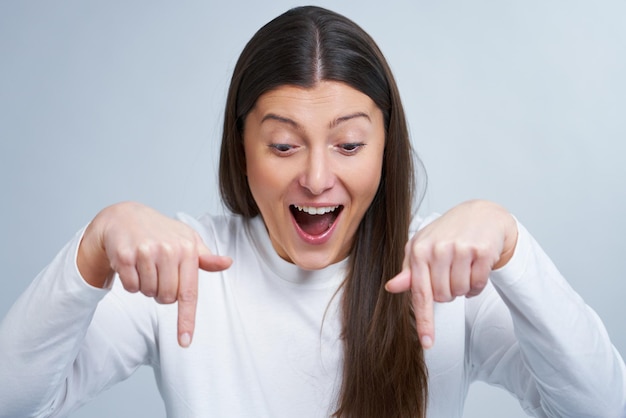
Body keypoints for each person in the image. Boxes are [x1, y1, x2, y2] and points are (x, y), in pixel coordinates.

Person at [0, 5, 624, 418]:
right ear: (241, 148)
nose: (318, 177)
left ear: (386, 150)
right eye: (283, 145)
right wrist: (93, 248)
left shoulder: (441, 271)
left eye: (349, 145)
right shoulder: (183, 268)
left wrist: (513, 246)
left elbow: (601, 406)